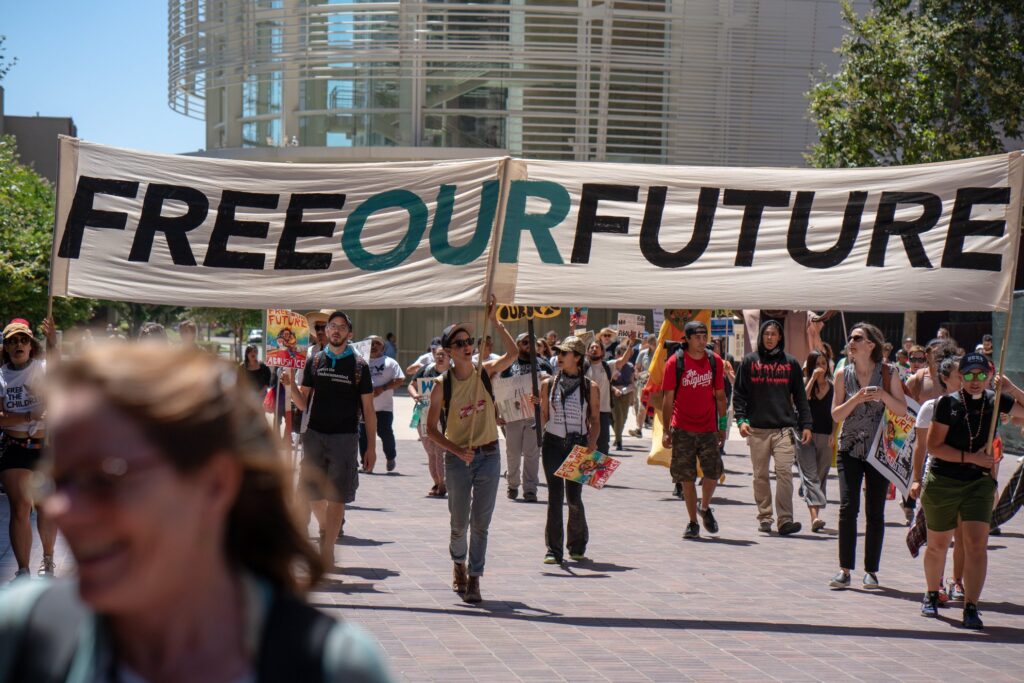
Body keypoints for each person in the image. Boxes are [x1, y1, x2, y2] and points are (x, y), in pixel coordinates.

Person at [0, 344, 392, 682]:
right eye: (59, 477)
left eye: (105, 478)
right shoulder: (23, 632)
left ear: (215, 484)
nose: (61, 510)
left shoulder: (330, 667)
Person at [920, 354, 1024, 628]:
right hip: (943, 481)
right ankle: (932, 593)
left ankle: (971, 606)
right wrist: (972, 458)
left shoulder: (997, 399)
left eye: (981, 374)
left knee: (977, 546)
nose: (975, 380)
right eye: (968, 374)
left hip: (978, 484)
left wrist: (1012, 389)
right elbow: (934, 446)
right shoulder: (947, 404)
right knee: (938, 545)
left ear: (990, 375)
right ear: (960, 377)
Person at [425, 300, 516, 603]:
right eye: (460, 343)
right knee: (458, 522)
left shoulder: (485, 372)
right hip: (457, 461)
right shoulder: (442, 385)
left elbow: (514, 354)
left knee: (481, 523)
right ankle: (458, 564)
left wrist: (497, 321)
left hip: (489, 455)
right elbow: (432, 430)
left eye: (470, 342)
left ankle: (475, 578)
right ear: (448, 350)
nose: (467, 346)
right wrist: (457, 449)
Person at [283, 310, 376, 570]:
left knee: (336, 498)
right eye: (331, 326)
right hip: (314, 435)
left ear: (350, 333)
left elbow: (368, 410)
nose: (335, 330)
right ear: (325, 332)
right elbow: (302, 402)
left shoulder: (359, 366)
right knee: (312, 495)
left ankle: (327, 549)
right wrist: (291, 386)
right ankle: (326, 529)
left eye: (341, 327)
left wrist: (371, 447)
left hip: (345, 439)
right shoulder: (314, 361)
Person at [829, 322, 907, 589]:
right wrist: (857, 399)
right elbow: (836, 415)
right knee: (848, 507)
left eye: (857, 338)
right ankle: (844, 569)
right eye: (850, 338)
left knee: (875, 511)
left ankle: (871, 571)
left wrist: (883, 394)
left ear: (871, 345)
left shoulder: (889, 372)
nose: (851, 341)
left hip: (880, 452)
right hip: (849, 449)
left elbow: (902, 411)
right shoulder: (842, 374)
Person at [733, 320, 813, 536]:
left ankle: (785, 520)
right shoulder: (749, 362)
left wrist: (806, 424)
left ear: (780, 337)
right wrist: (741, 420)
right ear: (761, 336)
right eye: (766, 334)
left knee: (784, 473)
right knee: (760, 475)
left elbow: (801, 397)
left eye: (773, 334)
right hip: (757, 430)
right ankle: (765, 516)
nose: (769, 337)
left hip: (783, 430)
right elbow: (739, 394)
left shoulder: (791, 363)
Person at [1, 317, 59, 579]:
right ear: (6, 348)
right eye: (12, 341)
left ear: (31, 345)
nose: (18, 344)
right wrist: (29, 417)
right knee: (21, 507)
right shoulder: (1, 376)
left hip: (43, 448)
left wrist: (54, 341)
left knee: (45, 506)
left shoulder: (42, 368)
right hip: (14, 448)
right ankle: (23, 569)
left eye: (23, 339)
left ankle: (47, 559)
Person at [661, 321, 727, 539]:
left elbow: (720, 396)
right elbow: (668, 399)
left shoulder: (714, 361)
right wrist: (666, 430)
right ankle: (692, 522)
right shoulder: (675, 362)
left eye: (704, 336)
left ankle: (705, 507)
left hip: (708, 427)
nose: (702, 340)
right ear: (687, 339)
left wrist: (723, 425)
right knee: (686, 477)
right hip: (682, 428)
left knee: (713, 472)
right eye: (697, 336)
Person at [536, 336, 599, 563]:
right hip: (553, 444)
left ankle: (577, 544)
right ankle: (553, 549)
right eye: (559, 353)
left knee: (573, 498)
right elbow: (544, 415)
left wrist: (591, 445)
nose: (559, 357)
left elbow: (595, 418)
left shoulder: (590, 387)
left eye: (565, 353)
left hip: (577, 445)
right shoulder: (547, 384)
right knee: (555, 497)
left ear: (578, 358)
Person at [909, 355, 963, 607]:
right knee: (937, 540)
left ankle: (958, 582)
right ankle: (936, 586)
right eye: (960, 376)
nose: (966, 381)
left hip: (972, 480)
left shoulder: (984, 406)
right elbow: (920, 447)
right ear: (945, 378)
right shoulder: (931, 407)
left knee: (963, 538)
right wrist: (917, 479)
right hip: (938, 478)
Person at [500, 332, 552, 502]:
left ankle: (530, 489)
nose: (528, 345)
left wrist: (542, 398)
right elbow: (499, 389)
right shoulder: (508, 365)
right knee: (513, 453)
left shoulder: (543, 365)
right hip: (513, 416)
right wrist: (497, 413)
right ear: (517, 344)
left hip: (534, 416)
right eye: (524, 342)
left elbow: (551, 388)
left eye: (532, 342)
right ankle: (513, 484)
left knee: (532, 454)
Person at [796, 350, 834, 532]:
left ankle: (815, 510)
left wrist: (834, 434)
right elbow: (800, 401)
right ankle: (815, 518)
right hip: (806, 434)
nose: (821, 367)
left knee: (820, 476)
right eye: (817, 363)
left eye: (824, 363)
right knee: (811, 476)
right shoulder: (805, 384)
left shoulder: (833, 387)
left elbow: (835, 413)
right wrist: (812, 379)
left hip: (826, 435)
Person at [360, 335, 405, 473]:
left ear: (383, 347)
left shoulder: (390, 363)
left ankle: (390, 457)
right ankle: (366, 464)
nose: (373, 346)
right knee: (363, 437)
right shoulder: (360, 362)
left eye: (377, 343)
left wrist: (383, 388)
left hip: (384, 408)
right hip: (364, 408)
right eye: (371, 343)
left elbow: (400, 380)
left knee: (385, 433)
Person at [409, 347, 450, 497]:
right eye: (438, 354)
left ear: (450, 357)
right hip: (423, 416)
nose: (440, 357)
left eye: (443, 355)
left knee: (440, 452)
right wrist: (415, 395)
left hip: (445, 418)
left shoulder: (453, 373)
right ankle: (437, 482)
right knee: (431, 453)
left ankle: (442, 483)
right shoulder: (426, 370)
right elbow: (411, 385)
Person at [585, 336, 634, 454]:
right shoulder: (583, 367)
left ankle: (598, 471)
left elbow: (623, 360)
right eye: (592, 347)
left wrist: (630, 344)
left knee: (602, 446)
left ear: (602, 351)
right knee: (585, 445)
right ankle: (585, 471)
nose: (594, 349)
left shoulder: (608, 366)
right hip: (585, 412)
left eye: (597, 347)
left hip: (602, 412)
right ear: (587, 351)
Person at [629, 334, 658, 437]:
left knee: (657, 407)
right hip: (645, 383)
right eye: (652, 344)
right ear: (648, 344)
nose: (654, 345)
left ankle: (658, 431)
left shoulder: (663, 353)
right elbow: (637, 368)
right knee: (642, 406)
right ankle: (638, 429)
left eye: (656, 343)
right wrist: (639, 375)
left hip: (658, 384)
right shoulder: (643, 354)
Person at [610, 354, 635, 451]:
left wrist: (630, 393)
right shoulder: (612, 366)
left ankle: (617, 436)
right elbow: (608, 382)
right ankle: (619, 442)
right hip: (614, 394)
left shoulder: (630, 366)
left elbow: (632, 382)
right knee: (618, 418)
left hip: (626, 394)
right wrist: (615, 390)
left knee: (624, 417)